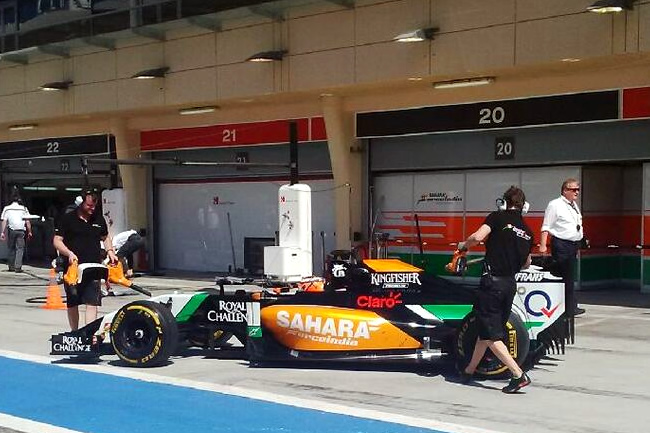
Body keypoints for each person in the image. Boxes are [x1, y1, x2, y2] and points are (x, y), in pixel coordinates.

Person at [458, 186, 533, 393]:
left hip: (492, 284)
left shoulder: (497, 218)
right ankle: (469, 371)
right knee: (487, 331)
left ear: (504, 203)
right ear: (523, 206)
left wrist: (463, 246)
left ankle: (518, 375)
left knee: (492, 335)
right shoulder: (528, 232)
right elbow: (527, 264)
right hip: (510, 285)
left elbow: (478, 237)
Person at [53, 190, 118, 330]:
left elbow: (105, 237)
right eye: (89, 205)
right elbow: (57, 241)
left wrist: (110, 252)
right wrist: (69, 253)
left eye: (94, 206)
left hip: (93, 267)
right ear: (81, 203)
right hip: (72, 268)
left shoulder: (98, 219)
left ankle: (89, 333)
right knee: (73, 301)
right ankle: (75, 332)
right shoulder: (68, 219)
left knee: (92, 301)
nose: (92, 209)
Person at [539, 178, 585, 316]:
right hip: (561, 245)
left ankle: (571, 305)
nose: (576, 192)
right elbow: (546, 226)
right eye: (573, 190)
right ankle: (567, 308)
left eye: (578, 189)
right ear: (565, 191)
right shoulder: (555, 205)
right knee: (564, 276)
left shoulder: (573, 205)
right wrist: (542, 246)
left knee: (569, 276)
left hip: (573, 245)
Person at [1, 194, 33, 273]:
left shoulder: (7, 208)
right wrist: (29, 231)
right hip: (21, 230)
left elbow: (4, 220)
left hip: (11, 230)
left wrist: (2, 232)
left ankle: (11, 266)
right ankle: (18, 267)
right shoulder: (23, 208)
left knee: (11, 248)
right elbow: (27, 220)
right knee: (20, 249)